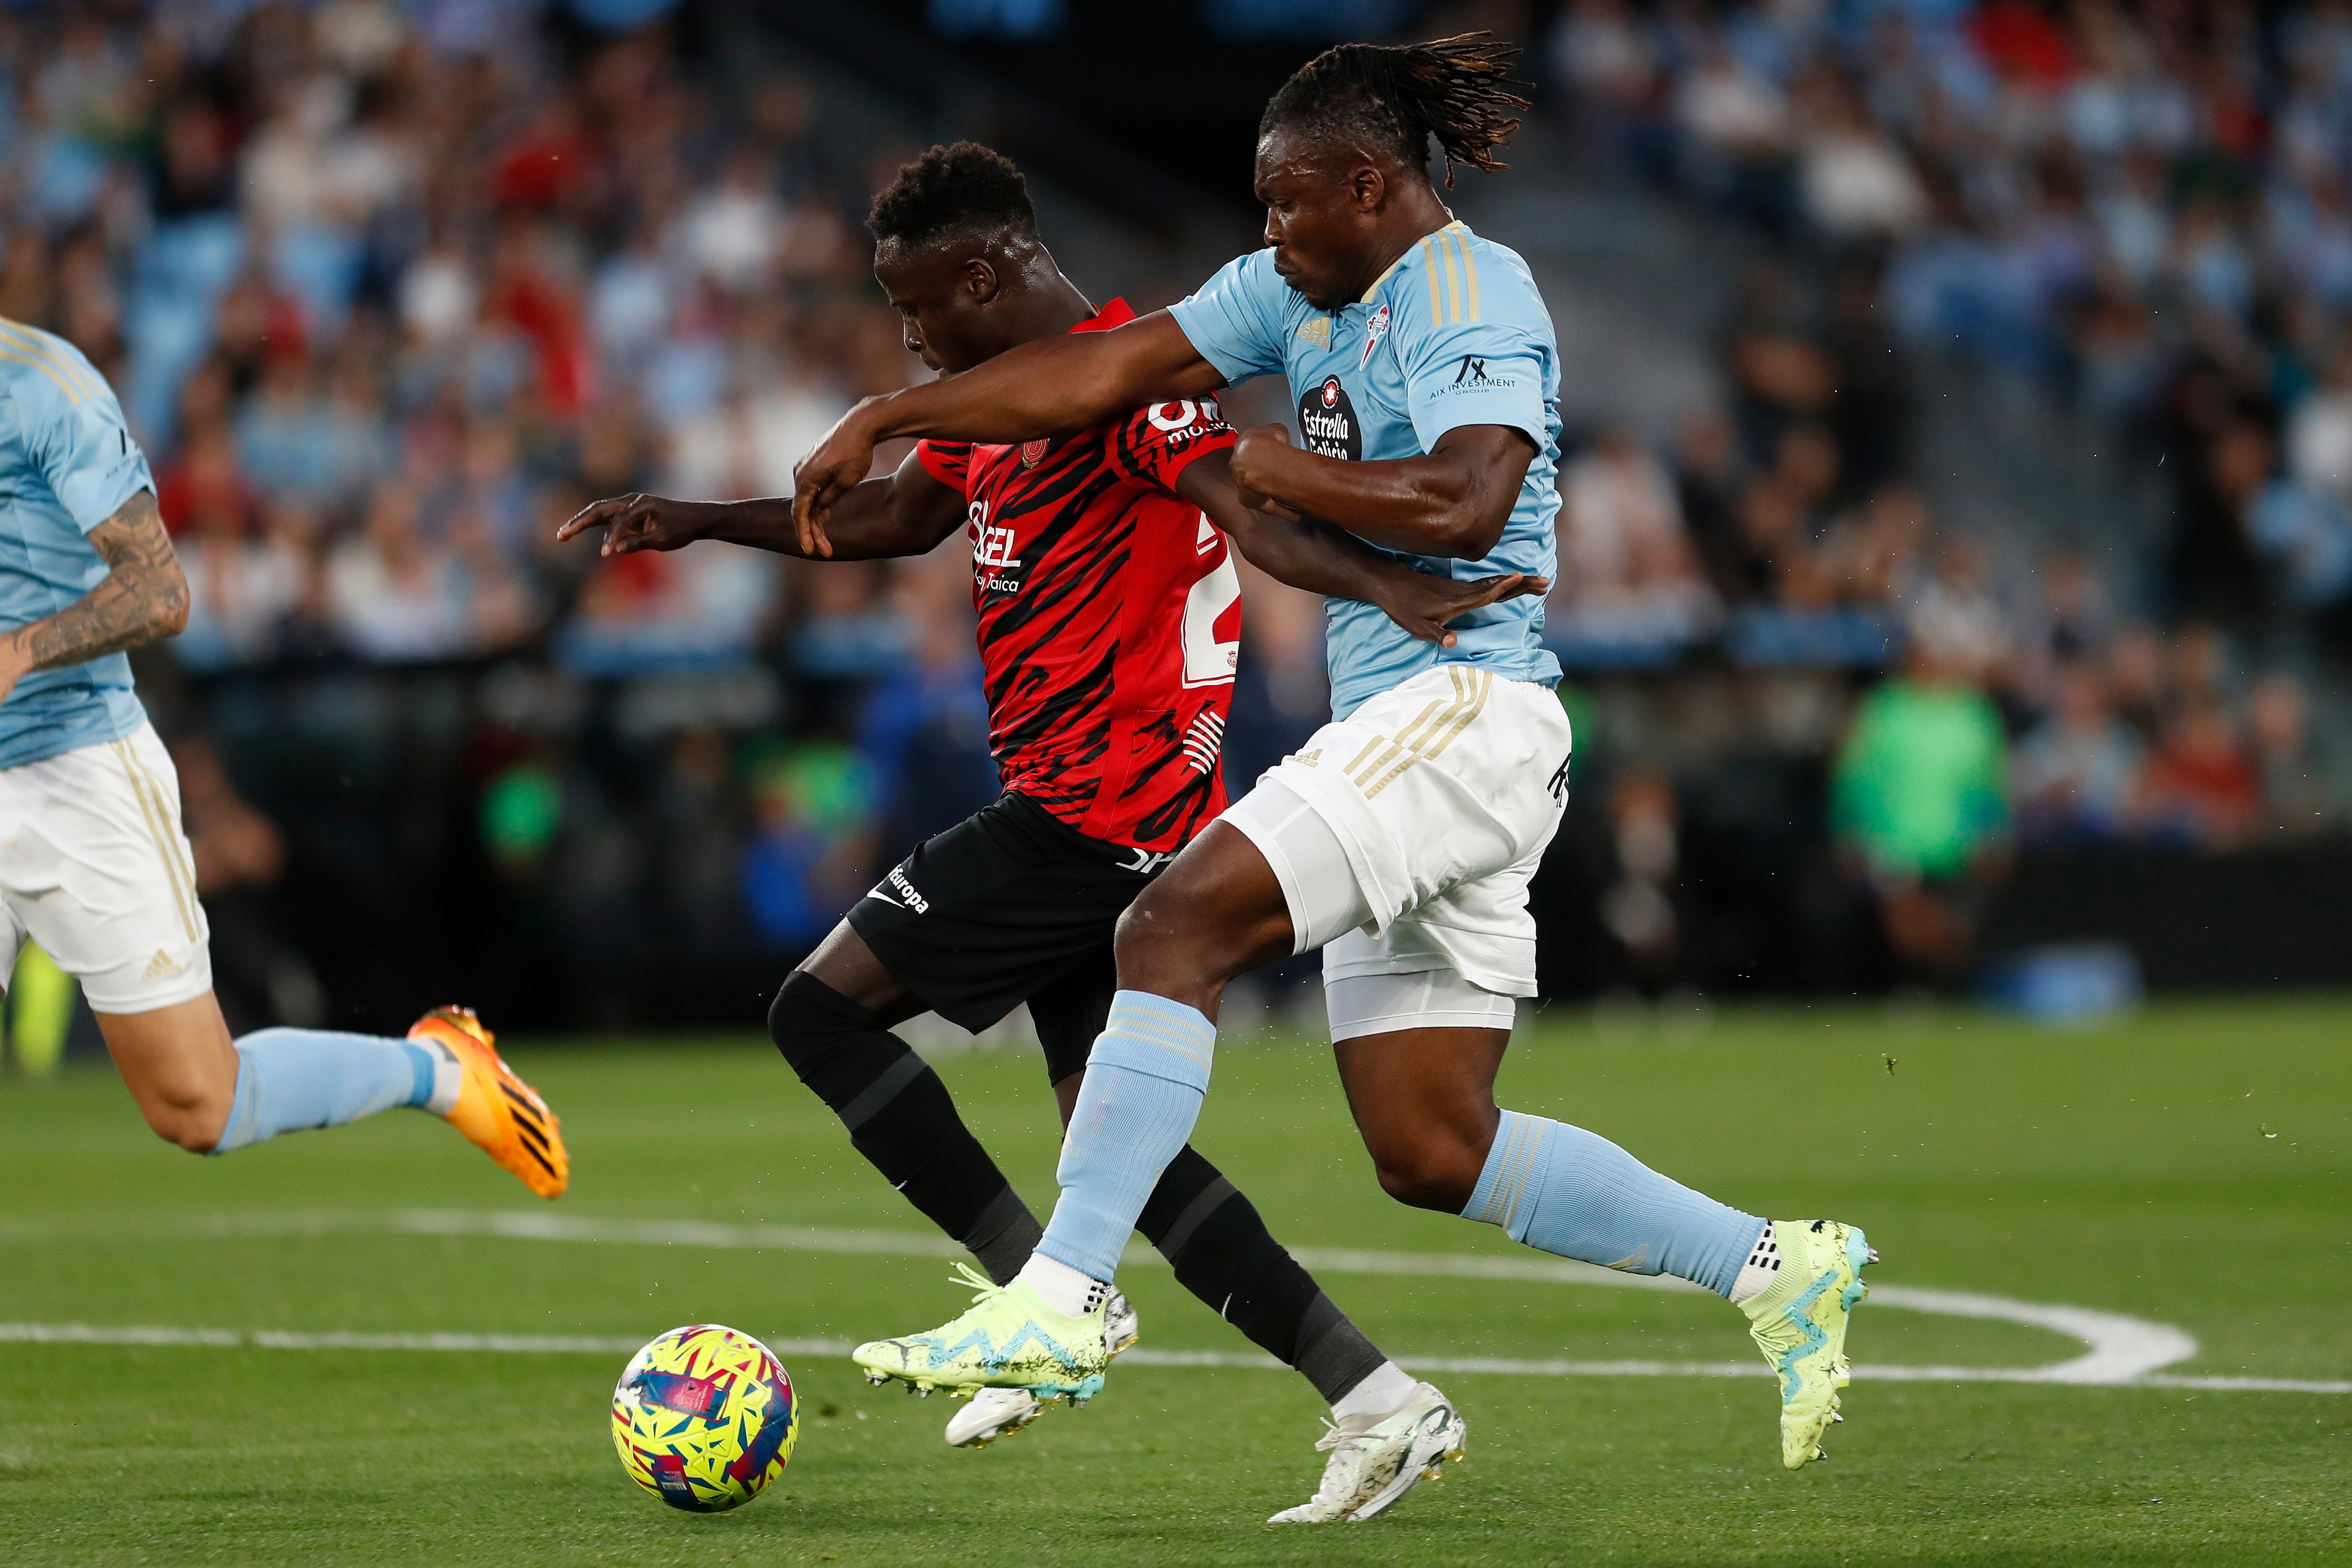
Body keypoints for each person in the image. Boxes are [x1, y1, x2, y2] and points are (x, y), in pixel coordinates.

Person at [793, 36, 1874, 1483]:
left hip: (1469, 713)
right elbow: (1094, 372)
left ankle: (1060, 1296)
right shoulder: (1284, 287)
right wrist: (889, 415)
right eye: (1261, 205)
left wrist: (1273, 469)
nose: (1269, 233)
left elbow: (1466, 495)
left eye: (1290, 203)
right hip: (1412, 736)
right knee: (1432, 1144)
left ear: (1370, 185)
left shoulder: (1474, 290)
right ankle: (1774, 1265)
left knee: (1167, 923)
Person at [561, 143, 1542, 1521]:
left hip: (1099, 817)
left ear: (980, 275)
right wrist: (700, 522)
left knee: (818, 1012)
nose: (910, 338)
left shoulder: (1123, 389)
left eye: (917, 313)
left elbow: (1246, 509)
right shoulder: (1000, 406)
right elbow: (906, 516)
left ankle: (1040, 1296)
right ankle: (1377, 1397)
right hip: (1097, 818)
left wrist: (1392, 585)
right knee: (1122, 1154)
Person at [0, 317, 565, 1194]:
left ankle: (442, 1071)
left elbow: (161, 591)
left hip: (74, 764)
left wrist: (19, 651)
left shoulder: (43, 386)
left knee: (199, 1104)